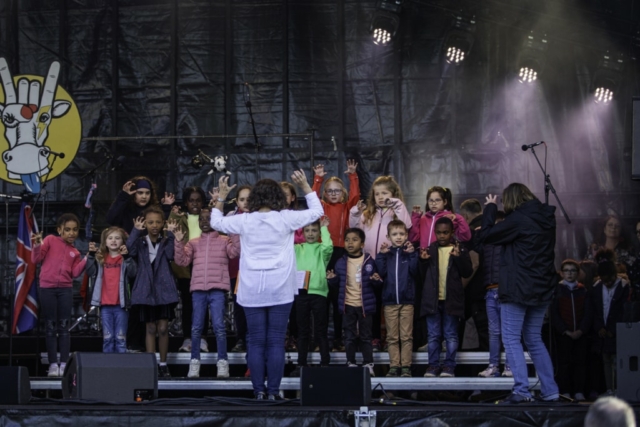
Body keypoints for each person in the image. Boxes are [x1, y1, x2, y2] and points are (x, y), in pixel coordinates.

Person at [209, 171, 323, 400]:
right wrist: (306, 187)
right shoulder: (286, 217)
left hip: (252, 289)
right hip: (280, 288)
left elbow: (215, 222)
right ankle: (272, 392)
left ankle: (259, 391)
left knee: (256, 340)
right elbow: (317, 212)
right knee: (275, 341)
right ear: (278, 198)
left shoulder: (245, 220)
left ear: (254, 199)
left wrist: (221, 197)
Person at [476, 184, 559, 404]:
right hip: (541, 287)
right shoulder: (546, 219)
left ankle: (522, 391)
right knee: (534, 338)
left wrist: (491, 208)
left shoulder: (518, 220)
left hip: (518, 288)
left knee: (511, 338)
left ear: (511, 200)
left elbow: (486, 235)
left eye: (504, 201)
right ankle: (550, 391)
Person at [105, 176, 173, 353]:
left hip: (152, 266)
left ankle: (147, 348)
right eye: (140, 193)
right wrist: (123, 196)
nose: (143, 196)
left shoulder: (156, 211)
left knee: (150, 309)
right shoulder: (127, 209)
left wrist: (166, 209)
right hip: (131, 262)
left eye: (147, 193)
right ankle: (133, 343)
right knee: (134, 305)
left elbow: (161, 228)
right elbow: (110, 219)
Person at [173, 207, 240, 378]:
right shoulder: (194, 242)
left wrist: (233, 233)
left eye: (208, 218)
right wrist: (179, 242)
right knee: (196, 328)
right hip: (198, 291)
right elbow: (181, 260)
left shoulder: (225, 241)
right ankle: (194, 361)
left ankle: (222, 362)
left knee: (219, 327)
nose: (204, 222)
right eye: (201, 219)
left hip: (217, 289)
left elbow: (235, 253)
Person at [350, 175, 412, 351]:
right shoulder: (367, 214)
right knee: (372, 303)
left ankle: (392, 338)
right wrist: (355, 213)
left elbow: (406, 224)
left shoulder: (396, 212)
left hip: (391, 263)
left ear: (393, 194)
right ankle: (375, 338)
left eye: (385, 193)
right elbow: (354, 231)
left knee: (390, 303)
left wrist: (397, 205)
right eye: (377, 194)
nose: (380, 197)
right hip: (370, 263)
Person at [31, 213, 88, 377]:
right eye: (68, 229)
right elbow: (37, 258)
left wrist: (87, 258)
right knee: (50, 327)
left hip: (65, 290)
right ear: (59, 230)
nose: (72, 233)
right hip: (47, 289)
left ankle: (64, 364)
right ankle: (52, 365)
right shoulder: (49, 240)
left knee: (64, 327)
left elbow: (75, 273)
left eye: (75, 230)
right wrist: (36, 244)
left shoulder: (75, 252)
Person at [312, 160, 360, 350]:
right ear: (325, 193)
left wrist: (352, 176)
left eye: (337, 190)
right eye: (329, 190)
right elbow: (312, 198)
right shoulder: (321, 206)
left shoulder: (347, 207)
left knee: (340, 299)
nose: (333, 193)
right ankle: (319, 341)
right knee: (321, 301)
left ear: (343, 192)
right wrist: (318, 179)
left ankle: (340, 340)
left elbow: (356, 199)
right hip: (323, 254)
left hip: (341, 253)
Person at [127, 206, 179, 378]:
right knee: (149, 327)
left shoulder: (165, 241)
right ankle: (151, 364)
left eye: (158, 222)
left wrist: (171, 235)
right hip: (145, 290)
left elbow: (172, 255)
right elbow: (129, 250)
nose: (154, 225)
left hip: (163, 289)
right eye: (150, 222)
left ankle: (163, 364)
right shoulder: (140, 242)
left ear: (163, 223)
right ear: (145, 224)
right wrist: (135, 231)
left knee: (163, 328)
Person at [418, 217, 472, 378]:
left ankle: (449, 366)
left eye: (445, 232)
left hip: (451, 300)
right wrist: (422, 261)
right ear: (434, 233)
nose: (442, 236)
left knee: (451, 335)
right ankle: (433, 366)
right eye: (439, 233)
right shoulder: (429, 250)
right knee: (433, 336)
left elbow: (467, 272)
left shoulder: (459, 249)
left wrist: (459, 257)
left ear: (452, 232)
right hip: (432, 300)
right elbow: (421, 278)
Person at [327, 227, 383, 377]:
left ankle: (368, 364)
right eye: (347, 240)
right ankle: (350, 362)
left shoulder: (369, 261)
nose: (350, 243)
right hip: (348, 305)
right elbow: (337, 284)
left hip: (365, 305)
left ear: (363, 244)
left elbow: (377, 283)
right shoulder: (340, 262)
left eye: (354, 239)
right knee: (349, 336)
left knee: (366, 336)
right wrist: (332, 279)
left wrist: (376, 281)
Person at [289, 217, 333, 377]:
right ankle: (301, 363)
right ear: (302, 232)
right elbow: (285, 247)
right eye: (307, 230)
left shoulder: (322, 249)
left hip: (319, 293)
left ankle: (325, 363)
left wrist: (325, 229)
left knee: (321, 330)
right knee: (303, 330)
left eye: (314, 230)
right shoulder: (298, 248)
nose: (310, 233)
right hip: (301, 293)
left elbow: (329, 247)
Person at [375, 220, 418, 378]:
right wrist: (381, 256)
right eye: (394, 234)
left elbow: (415, 272)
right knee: (392, 337)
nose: (398, 237)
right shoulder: (387, 254)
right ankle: (394, 366)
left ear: (406, 235)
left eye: (401, 234)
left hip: (407, 301)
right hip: (390, 301)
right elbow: (381, 272)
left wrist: (413, 254)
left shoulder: (410, 253)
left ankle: (406, 366)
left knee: (406, 336)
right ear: (388, 236)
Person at [169, 186, 209, 355]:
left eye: (198, 200)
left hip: (204, 264)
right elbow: (170, 235)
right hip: (185, 266)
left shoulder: (208, 217)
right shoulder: (179, 217)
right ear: (185, 202)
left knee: (203, 303)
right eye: (191, 200)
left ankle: (202, 338)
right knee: (187, 303)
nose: (195, 203)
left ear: (203, 202)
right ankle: (187, 338)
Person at [586, 249, 630, 396]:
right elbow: (594, 310)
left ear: (615, 274)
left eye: (610, 279)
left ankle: (621, 388)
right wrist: (599, 327)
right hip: (603, 330)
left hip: (619, 330)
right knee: (606, 360)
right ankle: (610, 389)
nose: (608, 283)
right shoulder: (596, 287)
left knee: (619, 360)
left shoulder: (624, 286)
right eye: (605, 281)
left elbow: (624, 310)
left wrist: (614, 328)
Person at [86, 227, 137, 354]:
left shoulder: (124, 258)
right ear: (105, 242)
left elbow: (133, 273)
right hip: (105, 305)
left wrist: (127, 257)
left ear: (123, 241)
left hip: (121, 305)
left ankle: (121, 369)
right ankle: (108, 369)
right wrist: (91, 255)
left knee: (120, 339)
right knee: (108, 338)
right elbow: (89, 271)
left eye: (117, 238)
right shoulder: (100, 258)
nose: (113, 240)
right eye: (110, 238)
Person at [476, 209, 512, 378]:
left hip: (505, 291)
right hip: (490, 291)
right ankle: (493, 365)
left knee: (508, 331)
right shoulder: (487, 243)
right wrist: (479, 234)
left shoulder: (509, 241)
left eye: (501, 224)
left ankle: (510, 366)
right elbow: (475, 247)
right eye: (495, 224)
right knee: (493, 332)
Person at [550, 259, 589, 401]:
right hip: (563, 334)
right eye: (566, 270)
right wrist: (564, 330)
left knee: (580, 363)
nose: (570, 273)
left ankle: (579, 390)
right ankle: (565, 390)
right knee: (564, 363)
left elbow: (588, 313)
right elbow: (554, 313)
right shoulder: (557, 290)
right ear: (561, 273)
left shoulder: (583, 290)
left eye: (573, 270)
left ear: (578, 273)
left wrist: (581, 330)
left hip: (581, 333)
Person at [458, 199, 489, 354]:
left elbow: (474, 263)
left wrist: (459, 287)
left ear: (465, 215)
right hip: (495, 287)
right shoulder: (492, 227)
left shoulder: (471, 233)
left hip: (477, 291)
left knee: (483, 333)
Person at [227, 185, 251, 353]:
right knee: (239, 305)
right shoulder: (231, 217)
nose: (246, 203)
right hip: (237, 269)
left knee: (255, 305)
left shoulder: (261, 216)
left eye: (249, 199)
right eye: (242, 199)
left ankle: (254, 338)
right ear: (236, 202)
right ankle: (241, 338)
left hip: (256, 270)